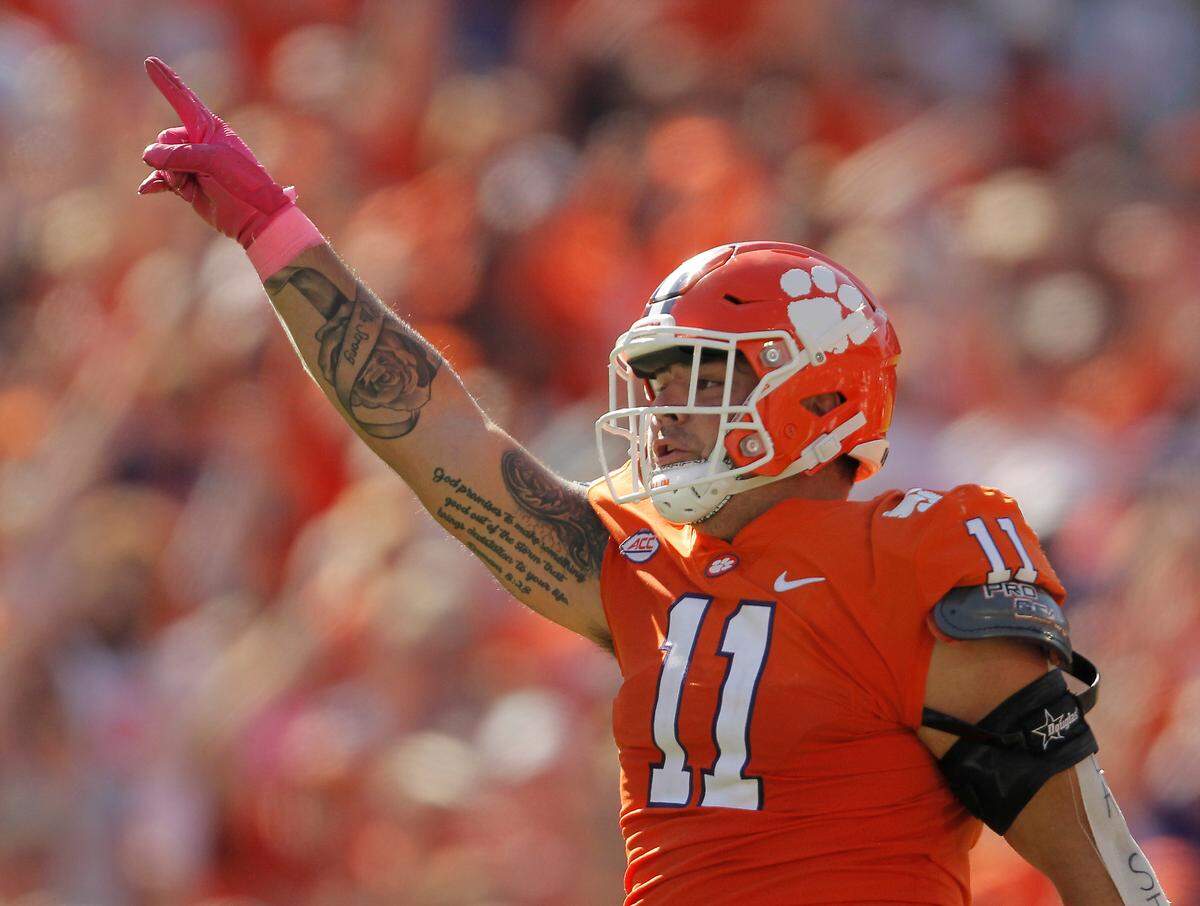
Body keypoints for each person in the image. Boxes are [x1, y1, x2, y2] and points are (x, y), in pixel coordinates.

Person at [139, 57, 1168, 906]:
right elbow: (434, 436)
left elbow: (1104, 873)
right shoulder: (645, 564)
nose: (668, 413)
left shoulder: (917, 565)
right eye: (661, 381)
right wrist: (273, 231)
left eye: (706, 379)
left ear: (821, 401)